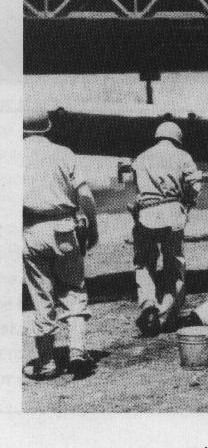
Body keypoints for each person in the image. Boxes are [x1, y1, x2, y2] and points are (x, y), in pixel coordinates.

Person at [23, 106, 98, 379]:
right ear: (48, 127)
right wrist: (92, 230)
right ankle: (78, 351)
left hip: (31, 230)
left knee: (41, 297)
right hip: (65, 229)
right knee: (74, 291)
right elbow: (86, 197)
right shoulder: (64, 153)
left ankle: (46, 362)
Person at [131, 122, 202, 336]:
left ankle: (148, 306)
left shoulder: (141, 158)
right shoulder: (183, 156)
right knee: (174, 264)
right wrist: (187, 201)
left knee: (144, 262)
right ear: (177, 138)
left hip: (146, 214)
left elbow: (137, 188)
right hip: (172, 213)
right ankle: (167, 314)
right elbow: (194, 187)